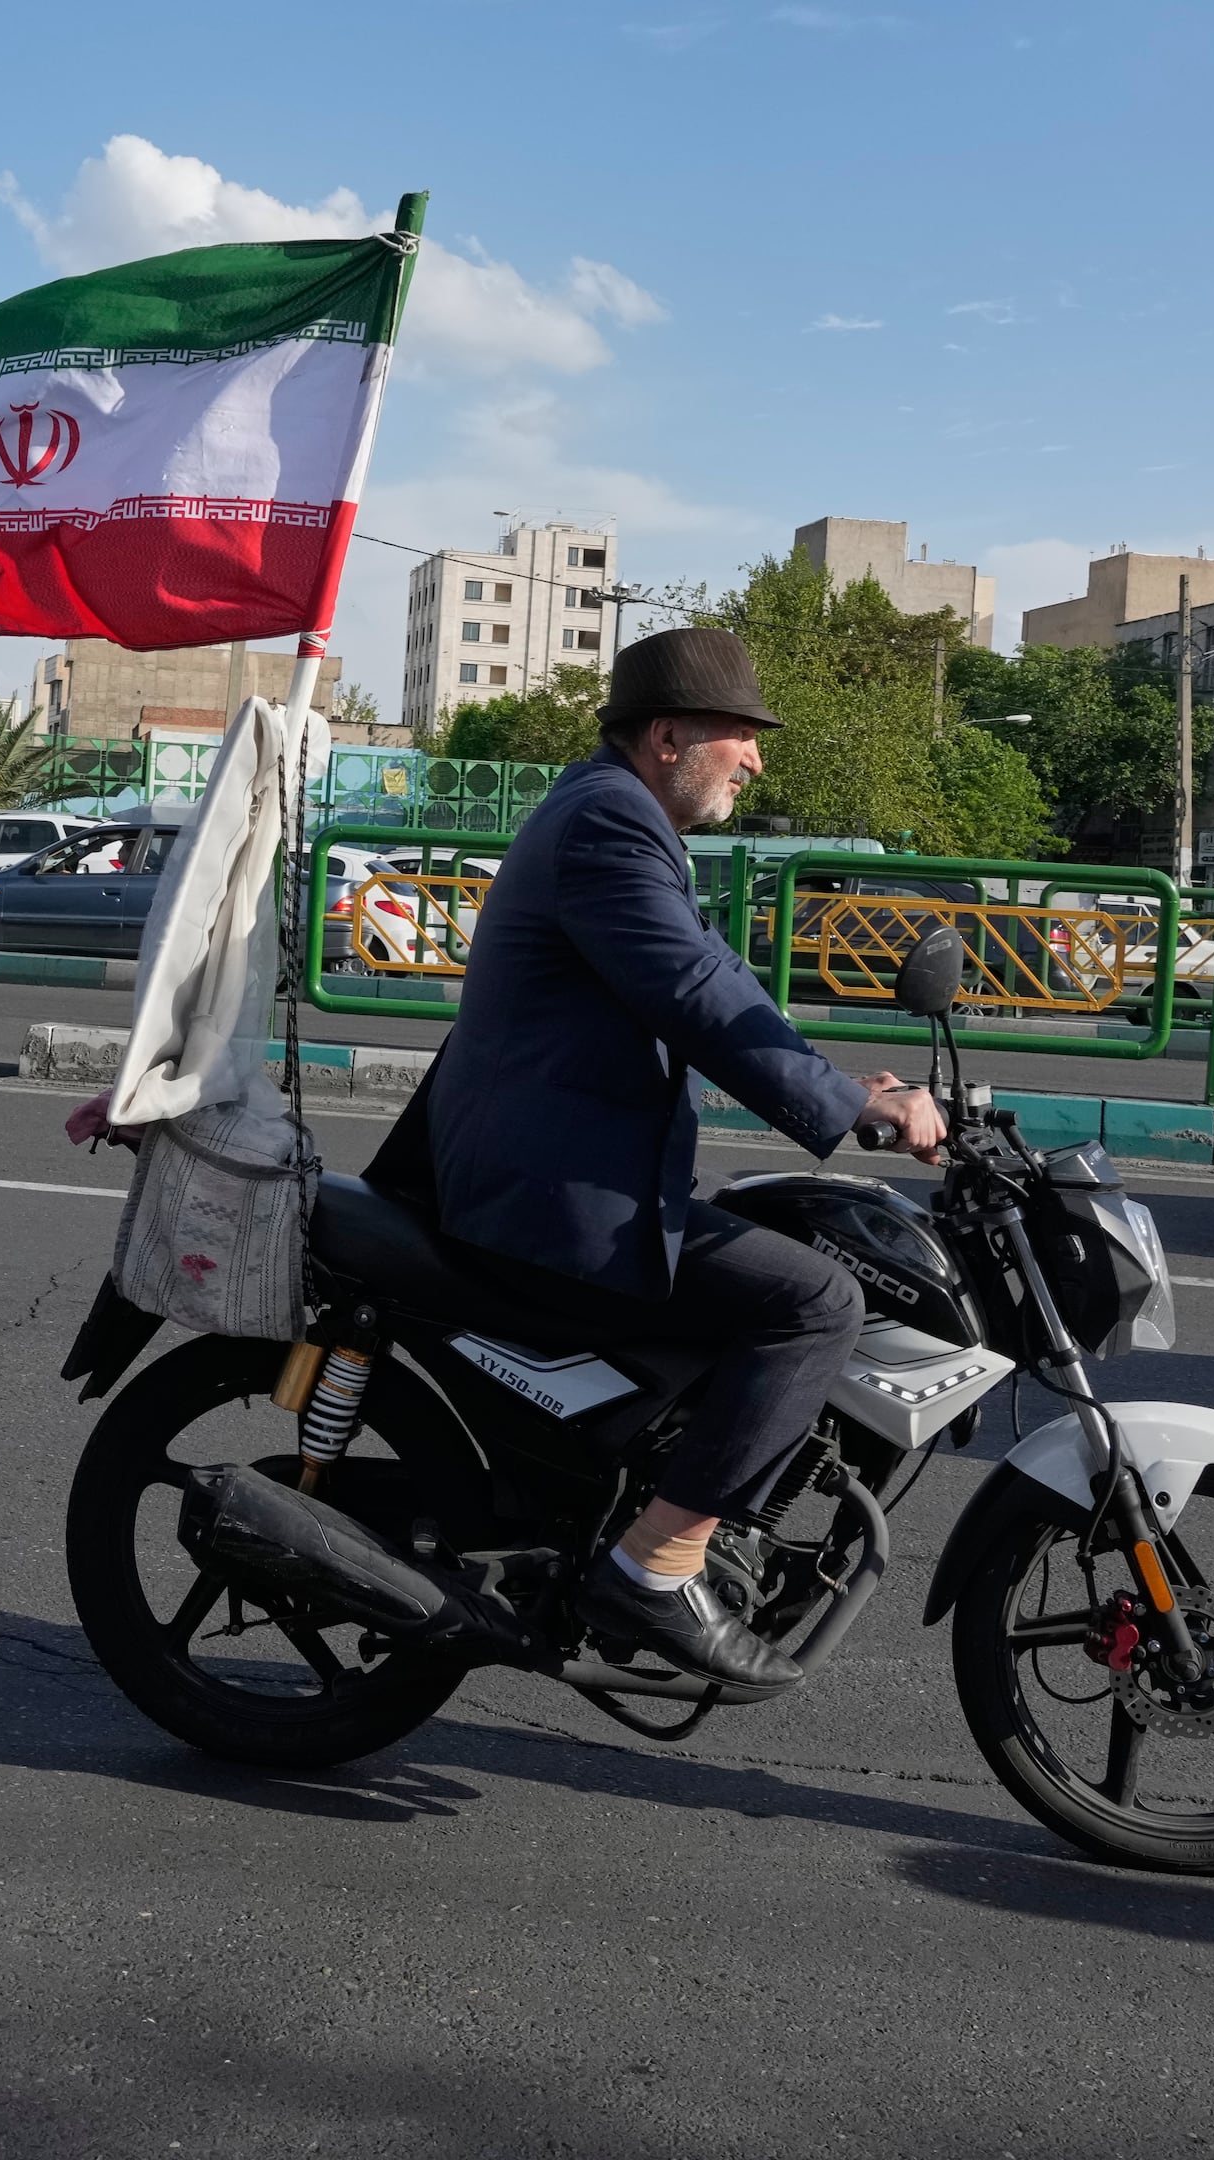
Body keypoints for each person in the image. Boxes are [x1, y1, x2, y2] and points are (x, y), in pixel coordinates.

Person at [379, 626, 944, 1688]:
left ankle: (642, 1501)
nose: (757, 760)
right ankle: (653, 1568)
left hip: (558, 1162)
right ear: (671, 736)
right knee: (816, 1303)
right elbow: (694, 993)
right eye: (742, 736)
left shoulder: (616, 815)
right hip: (547, 1193)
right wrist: (844, 1110)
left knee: (773, 1240)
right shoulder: (605, 821)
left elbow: (710, 973)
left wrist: (842, 1085)